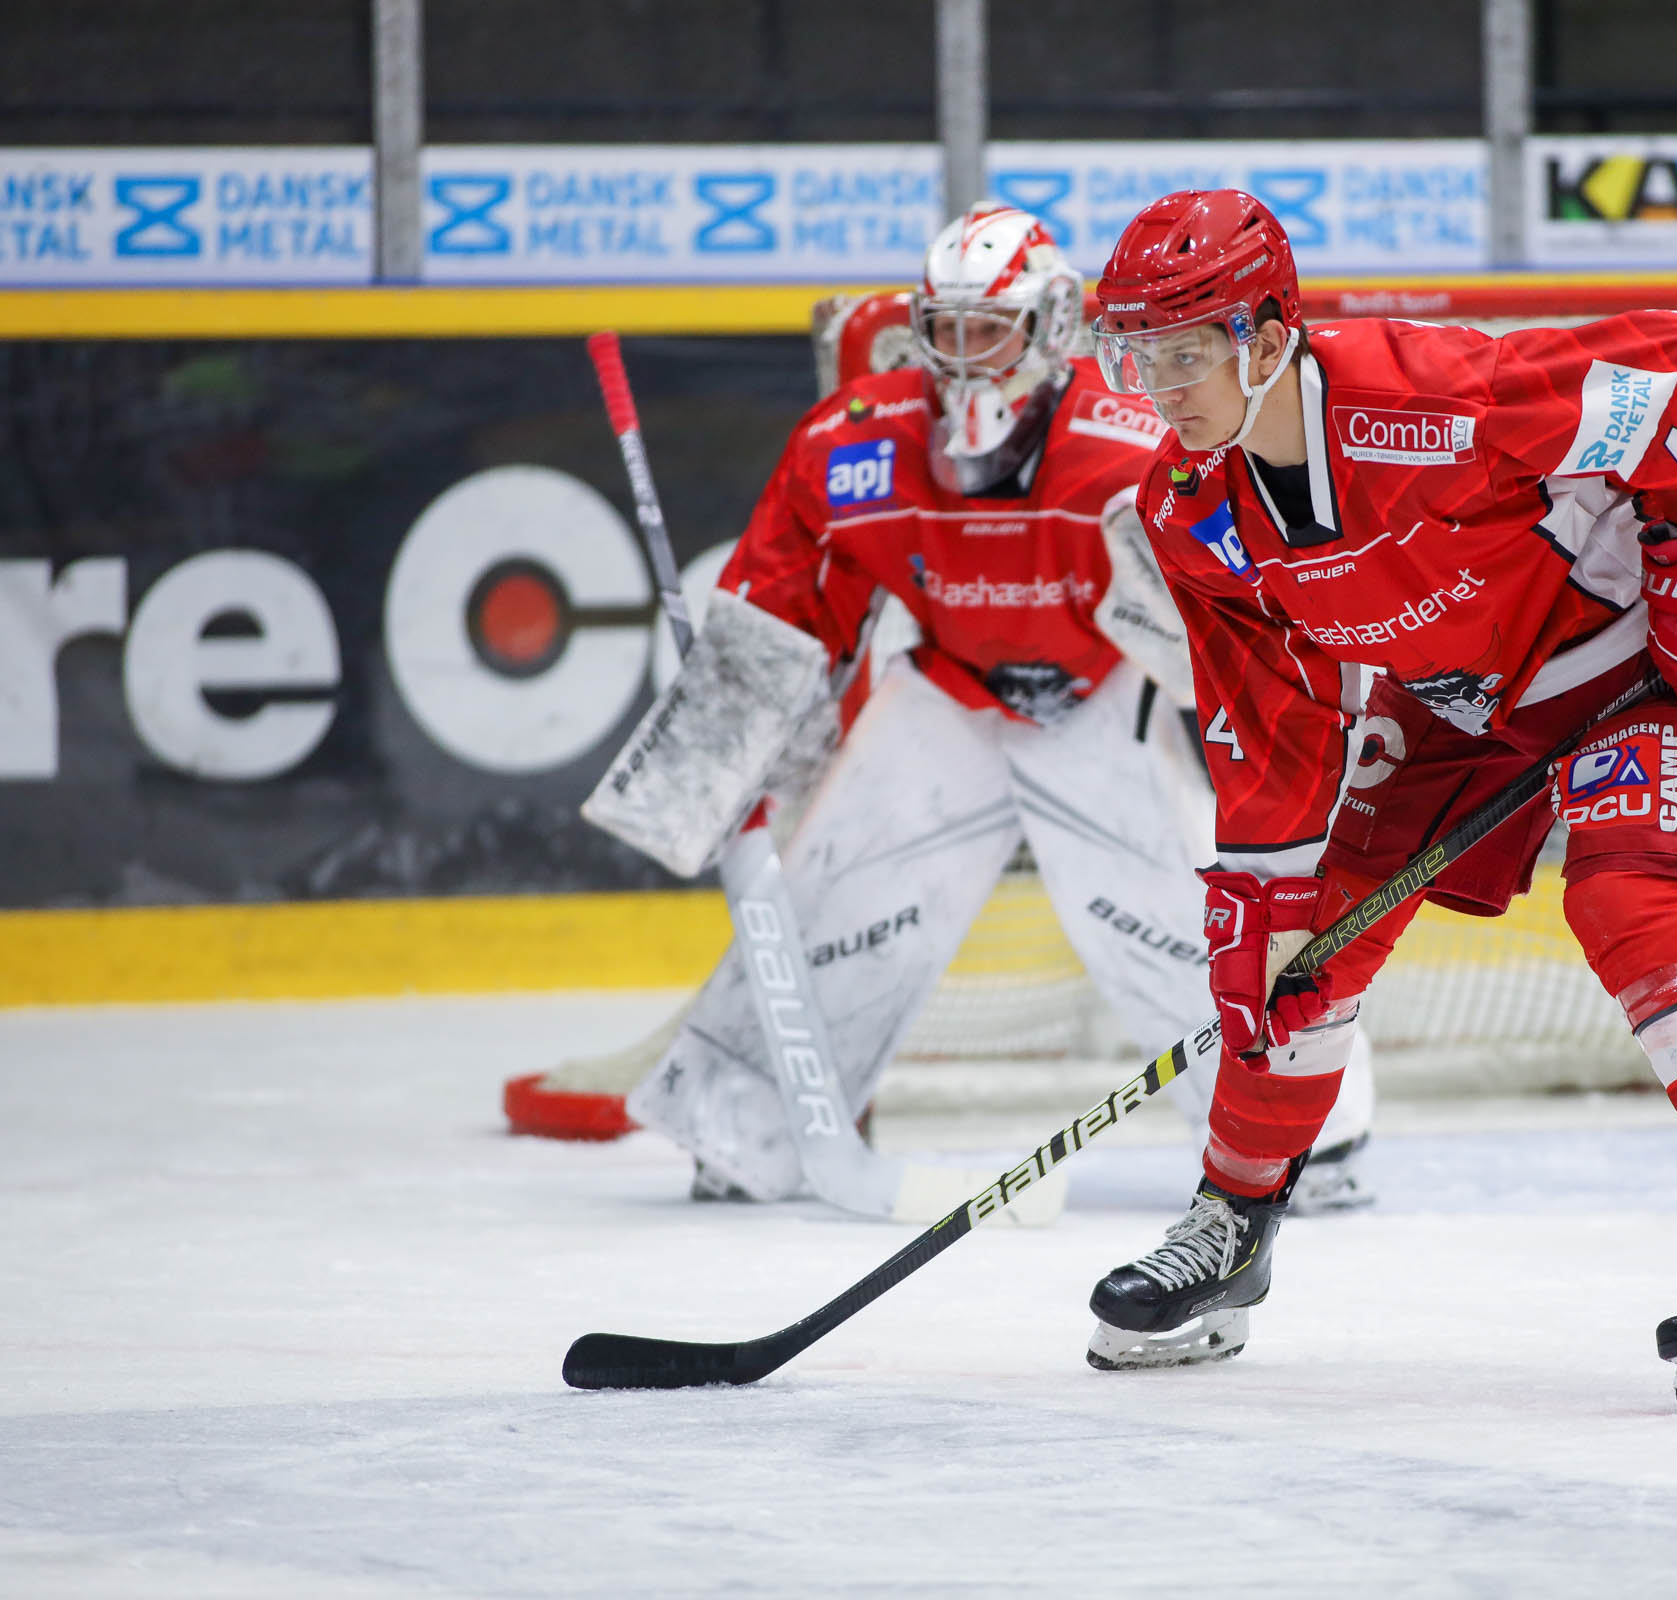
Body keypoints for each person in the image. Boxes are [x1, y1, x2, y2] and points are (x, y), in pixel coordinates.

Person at [1076, 187, 1677, 1411]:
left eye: (1186, 353)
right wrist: (1259, 904)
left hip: (1636, 658)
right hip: (1457, 700)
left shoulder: (1426, 402)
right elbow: (1274, 728)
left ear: (1268, 337)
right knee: (1304, 944)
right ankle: (1231, 1227)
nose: (1160, 388)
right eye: (1139, 357)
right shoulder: (1191, 515)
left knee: (1631, 899)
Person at [514, 203, 1377, 1214]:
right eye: (948, 328)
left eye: (991, 328)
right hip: (948, 694)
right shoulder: (855, 440)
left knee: (1174, 920)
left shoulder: (1135, 439)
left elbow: (1250, 603)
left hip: (1099, 695)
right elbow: (783, 603)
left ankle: (1302, 1134)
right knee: (847, 897)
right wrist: (719, 754)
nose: (967, 355)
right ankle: (750, 1127)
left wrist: (1179, 626)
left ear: (1052, 325)